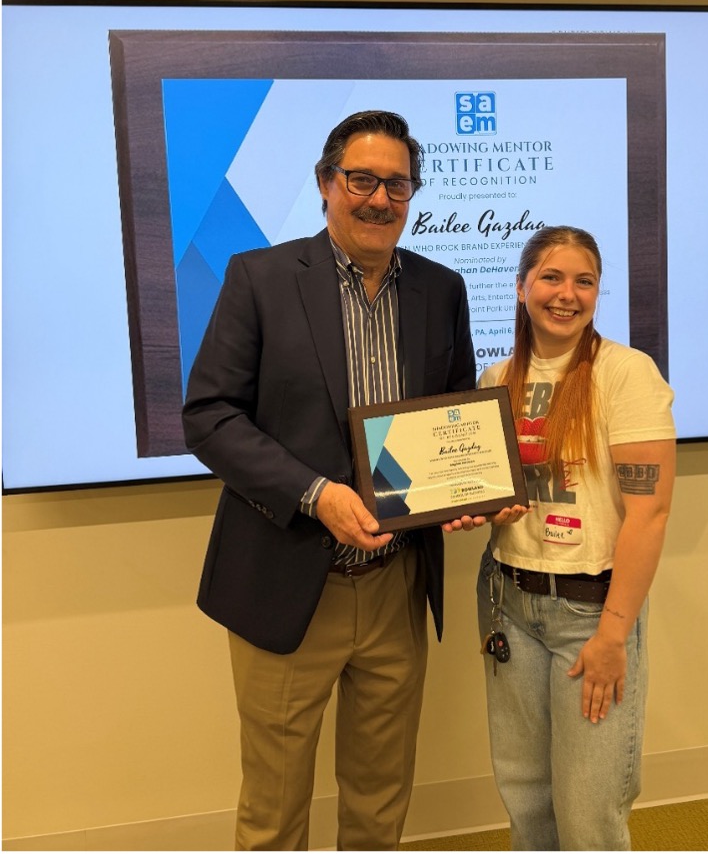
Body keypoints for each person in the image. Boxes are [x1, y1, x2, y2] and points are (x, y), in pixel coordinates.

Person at [182, 110, 480, 851]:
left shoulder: (441, 288)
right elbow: (209, 416)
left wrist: (462, 491)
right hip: (288, 582)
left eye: (397, 184)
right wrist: (315, 494)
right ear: (325, 183)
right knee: (275, 809)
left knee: (380, 799)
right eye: (361, 180)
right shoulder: (260, 278)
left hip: (395, 585)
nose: (380, 199)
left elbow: (456, 411)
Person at [474, 225, 676, 850]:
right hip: (509, 602)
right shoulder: (495, 376)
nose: (567, 294)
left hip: (589, 614)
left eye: (584, 281)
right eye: (552, 278)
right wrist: (480, 510)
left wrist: (613, 636)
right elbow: (496, 497)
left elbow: (650, 514)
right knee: (527, 802)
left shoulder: (626, 373)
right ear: (521, 288)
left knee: (589, 815)